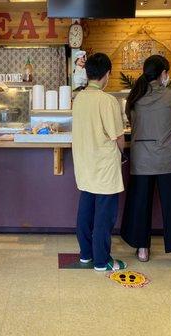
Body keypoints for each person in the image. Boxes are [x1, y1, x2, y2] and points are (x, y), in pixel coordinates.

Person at [120, 55, 171, 266]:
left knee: (141, 204)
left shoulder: (134, 98)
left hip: (141, 160)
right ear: (163, 74)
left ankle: (143, 251)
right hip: (168, 160)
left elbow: (132, 123)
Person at [72, 52, 127, 272]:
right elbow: (118, 136)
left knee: (86, 210)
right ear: (107, 74)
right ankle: (102, 261)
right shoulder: (108, 101)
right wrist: (123, 155)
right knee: (104, 217)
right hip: (104, 167)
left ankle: (86, 254)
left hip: (85, 165)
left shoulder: (79, 99)